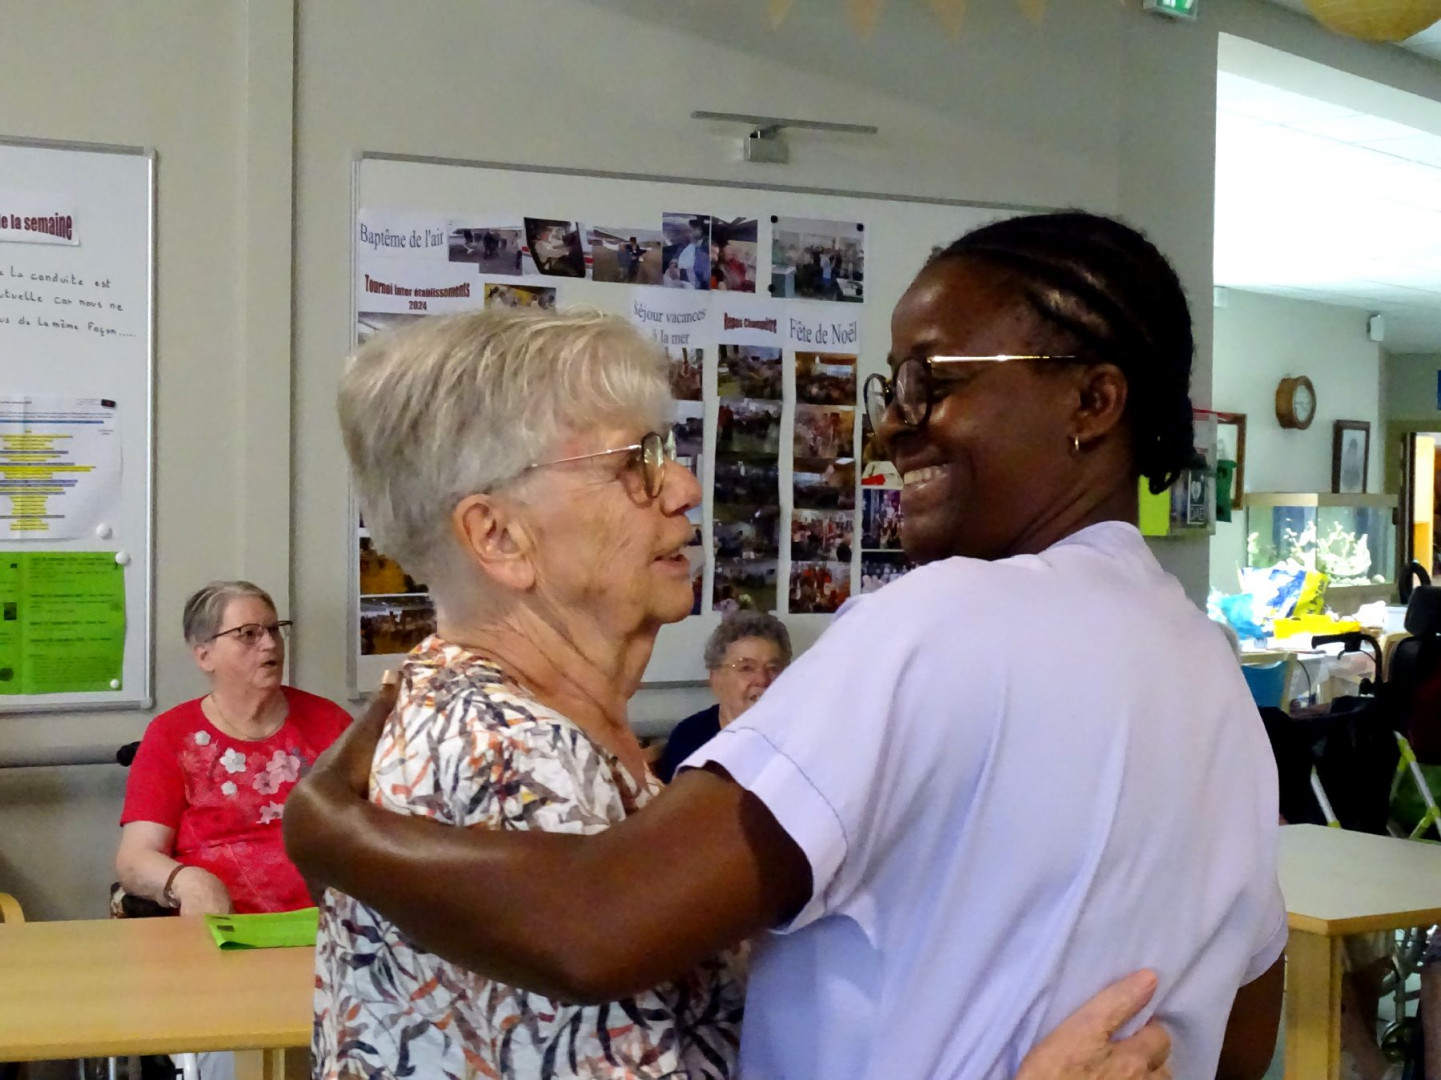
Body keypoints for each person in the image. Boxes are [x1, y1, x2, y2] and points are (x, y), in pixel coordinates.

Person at [285, 213, 1289, 1078]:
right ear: (495, 537)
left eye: (929, 381)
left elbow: (595, 922)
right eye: (635, 465)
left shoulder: (951, 623)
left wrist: (326, 833)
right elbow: (1241, 1031)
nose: (892, 427)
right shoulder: (1204, 667)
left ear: (1091, 401)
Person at [312, 307, 744, 1078]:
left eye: (668, 452)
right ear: (499, 537)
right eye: (633, 463)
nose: (682, 487)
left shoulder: (490, 706)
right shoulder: (506, 759)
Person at [116, 581, 350, 916]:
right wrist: (187, 881)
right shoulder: (172, 736)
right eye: (248, 634)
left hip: (330, 926)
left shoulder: (330, 723)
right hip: (221, 926)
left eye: (273, 630)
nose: (270, 644)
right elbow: (136, 857)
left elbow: (373, 825)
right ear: (204, 655)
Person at [654, 613, 791, 784]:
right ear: (716, 678)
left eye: (773, 668)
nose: (763, 679)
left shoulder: (796, 736)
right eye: (746, 668)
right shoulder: (691, 738)